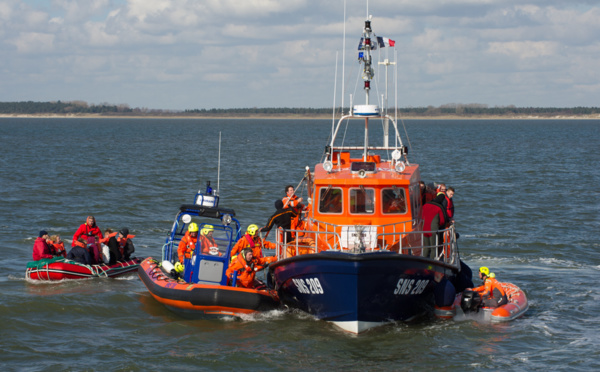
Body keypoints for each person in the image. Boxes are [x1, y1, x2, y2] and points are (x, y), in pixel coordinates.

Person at [422, 193, 447, 259]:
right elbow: (442, 221)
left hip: (424, 229)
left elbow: (421, 217)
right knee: (434, 248)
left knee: (426, 248)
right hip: (433, 230)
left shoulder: (425, 205)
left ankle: (423, 262)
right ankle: (431, 264)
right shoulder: (439, 207)